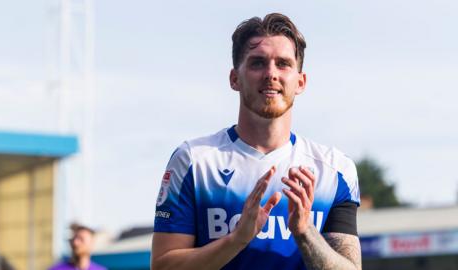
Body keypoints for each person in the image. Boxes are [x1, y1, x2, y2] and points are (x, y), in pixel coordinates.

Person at [152, 13, 361, 270]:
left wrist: (305, 232)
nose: (271, 74)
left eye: (283, 64)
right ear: (234, 79)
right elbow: (163, 266)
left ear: (301, 82)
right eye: (258, 63)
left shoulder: (335, 170)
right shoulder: (194, 160)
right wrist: (236, 239)